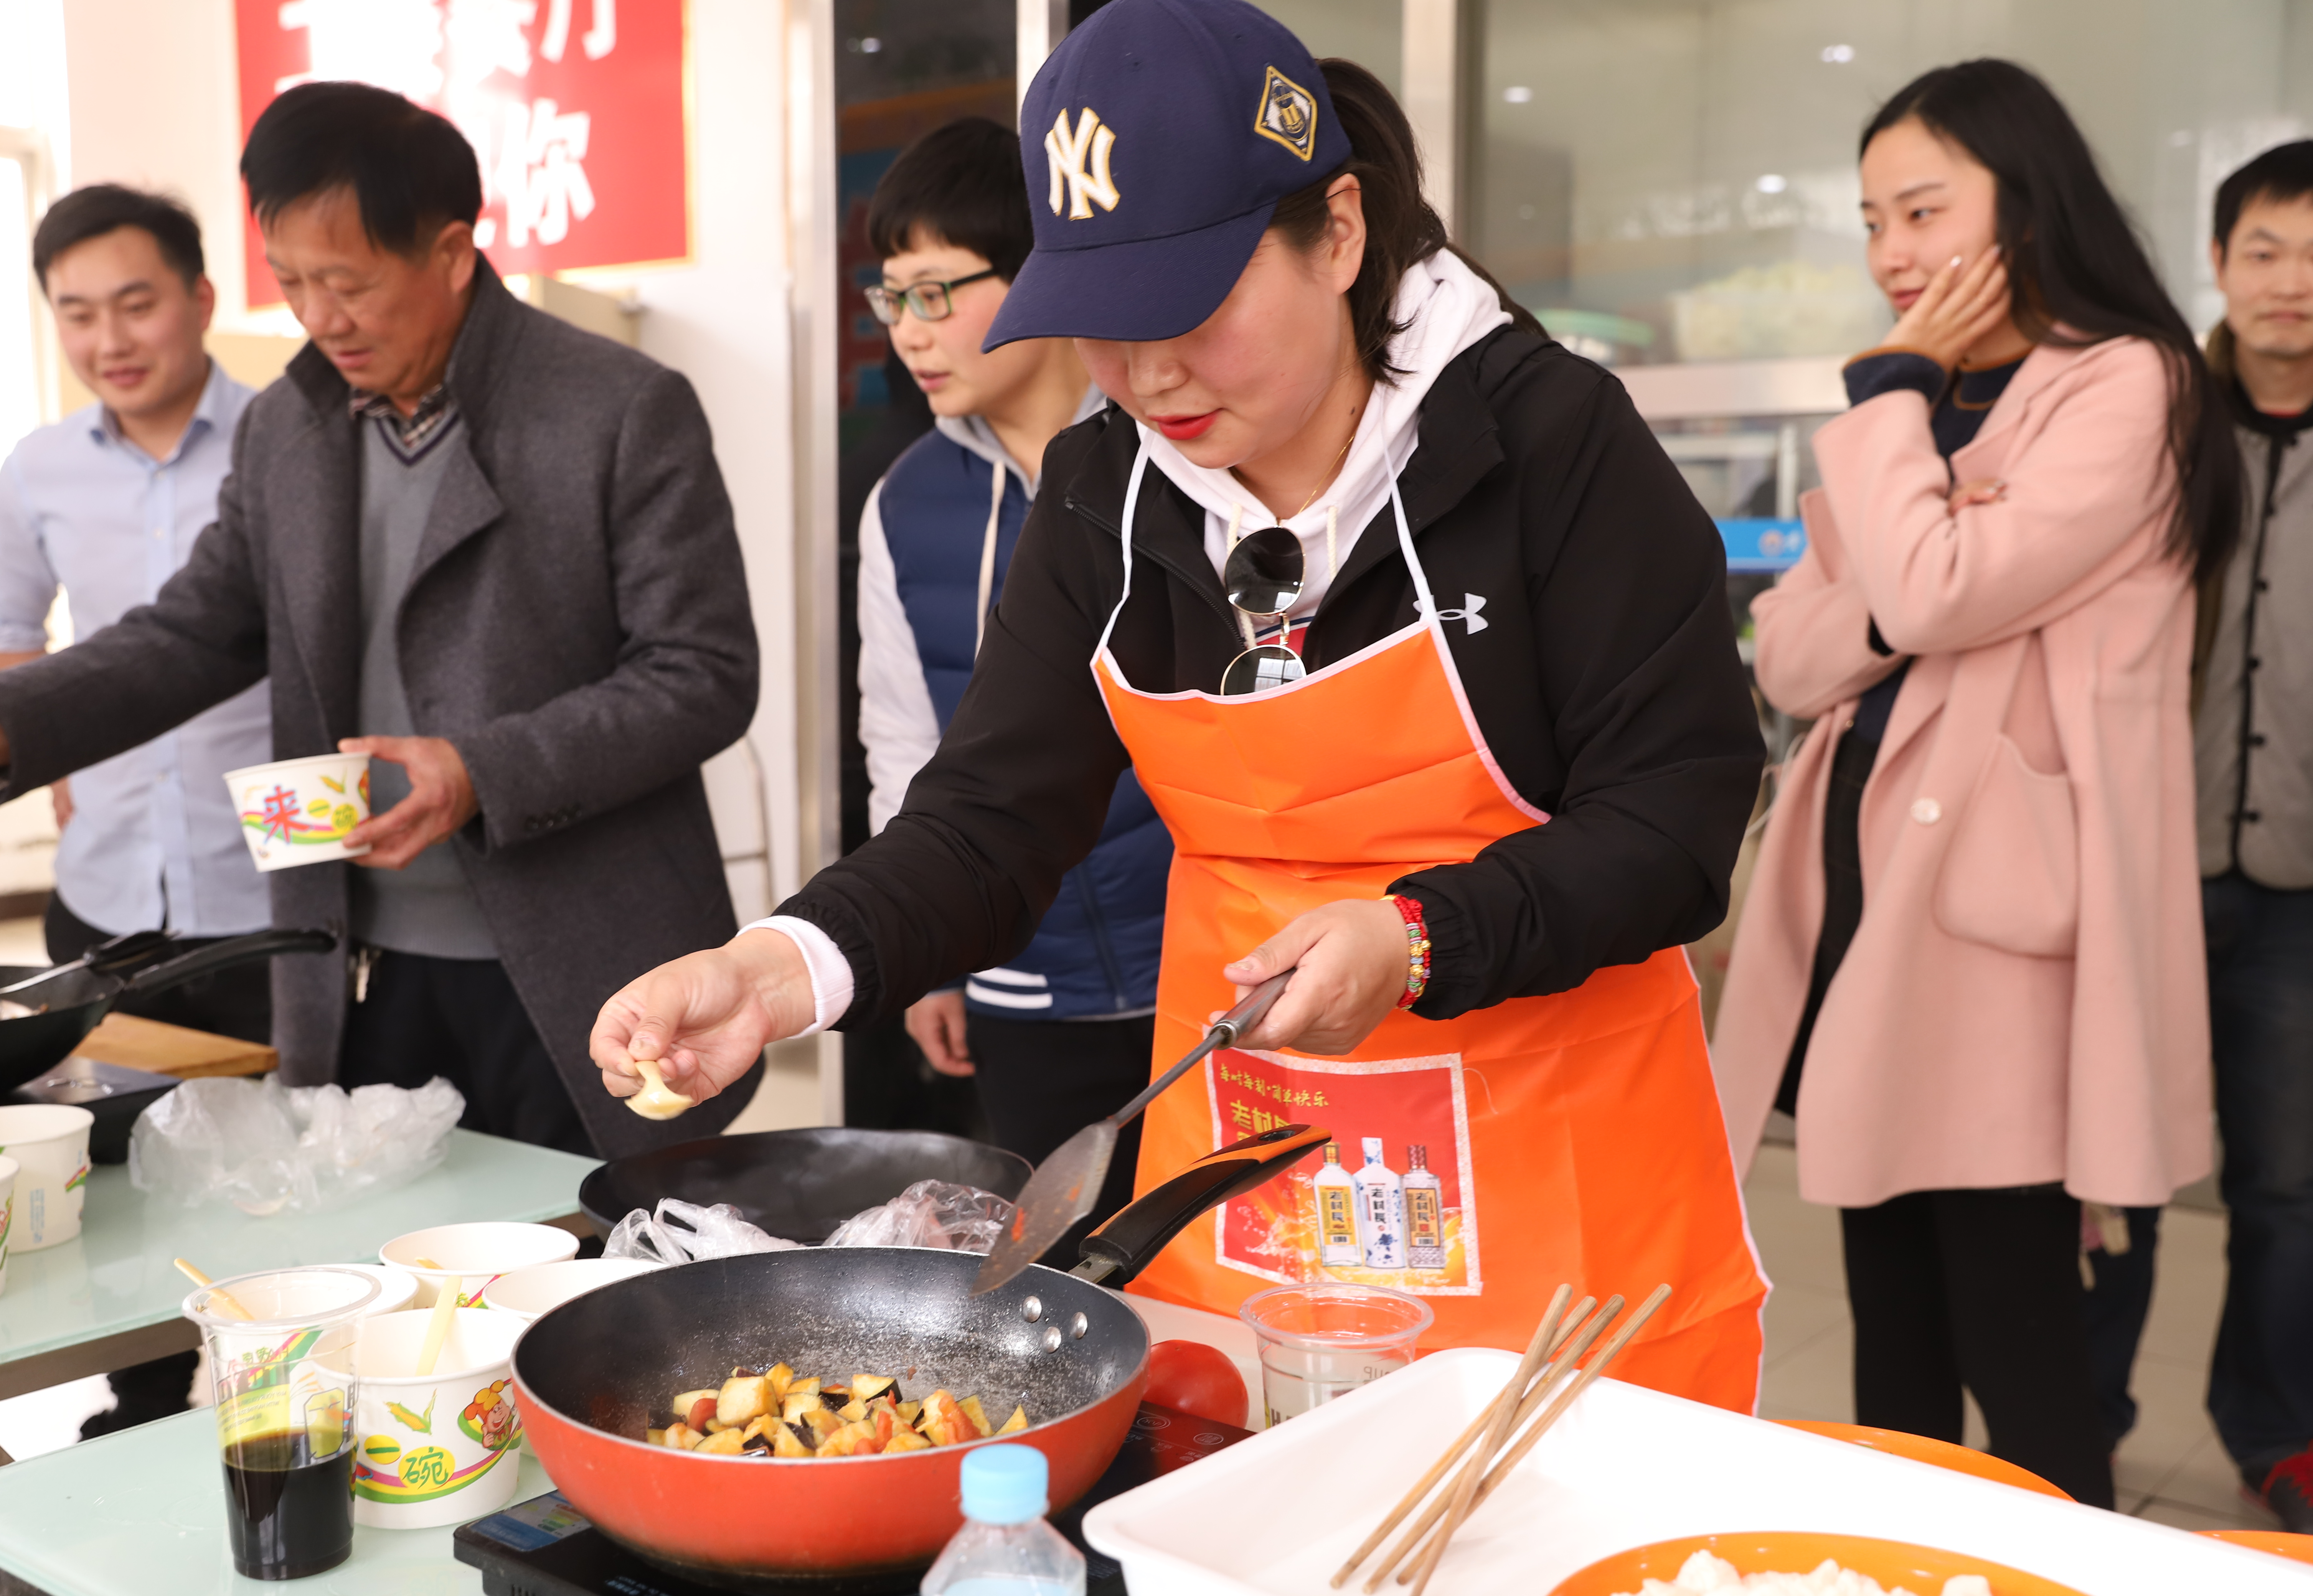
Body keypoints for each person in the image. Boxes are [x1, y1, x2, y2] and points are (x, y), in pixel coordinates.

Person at [592, 0, 1769, 1403]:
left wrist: (1414, 937)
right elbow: (985, 821)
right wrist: (774, 972)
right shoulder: (1109, 493)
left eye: (1189, 312)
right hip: (1255, 1187)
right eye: (1098, 324)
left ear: (1337, 233)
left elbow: (1679, 814)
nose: (1145, 377)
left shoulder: (1550, 443)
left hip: (1563, 1203)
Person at [0, 83, 758, 1160]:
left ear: (454, 253)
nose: (320, 318)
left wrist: (478, 770)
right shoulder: (291, 424)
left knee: (587, 1275)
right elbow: (197, 628)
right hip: (361, 959)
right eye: (291, 282)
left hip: (576, 961)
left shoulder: (615, 407)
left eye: (349, 283)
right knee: (391, 1286)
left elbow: (702, 672)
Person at [1714, 59, 2242, 1507]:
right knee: (1890, 1321)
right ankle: (1909, 1555)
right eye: (1875, 219)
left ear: (2029, 196)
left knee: (2019, 1341)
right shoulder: (1936, 404)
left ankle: (2055, 1556)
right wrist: (1908, 574)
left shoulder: (2127, 382)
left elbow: (1936, 592)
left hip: (2008, 933)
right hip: (1868, 913)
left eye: (1924, 209)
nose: (1893, 253)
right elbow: (1799, 654)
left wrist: (1900, 458)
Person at [856, 118, 1171, 1261]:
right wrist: (926, 949)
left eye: (937, 293)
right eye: (892, 300)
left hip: (1204, 968)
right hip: (1023, 985)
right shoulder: (904, 501)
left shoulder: (1178, 453)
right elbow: (902, 736)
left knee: (1227, 1282)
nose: (909, 334)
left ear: (1044, 274)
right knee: (1079, 1285)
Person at [0, 185, 274, 1042]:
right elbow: (8, 621)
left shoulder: (287, 443)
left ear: (200, 300)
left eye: (137, 307)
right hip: (102, 890)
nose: (111, 343)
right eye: (79, 315)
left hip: (271, 895)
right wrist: (55, 756)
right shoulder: (39, 469)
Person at [2187, 138, 2313, 1534]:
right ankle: (2078, 1421)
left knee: (2291, 1184)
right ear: (2221, 264)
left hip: (2308, 882)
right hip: (2142, 874)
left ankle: (2278, 1431)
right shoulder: (2161, 424)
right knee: (2099, 1174)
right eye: (2268, 250)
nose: (2294, 283)